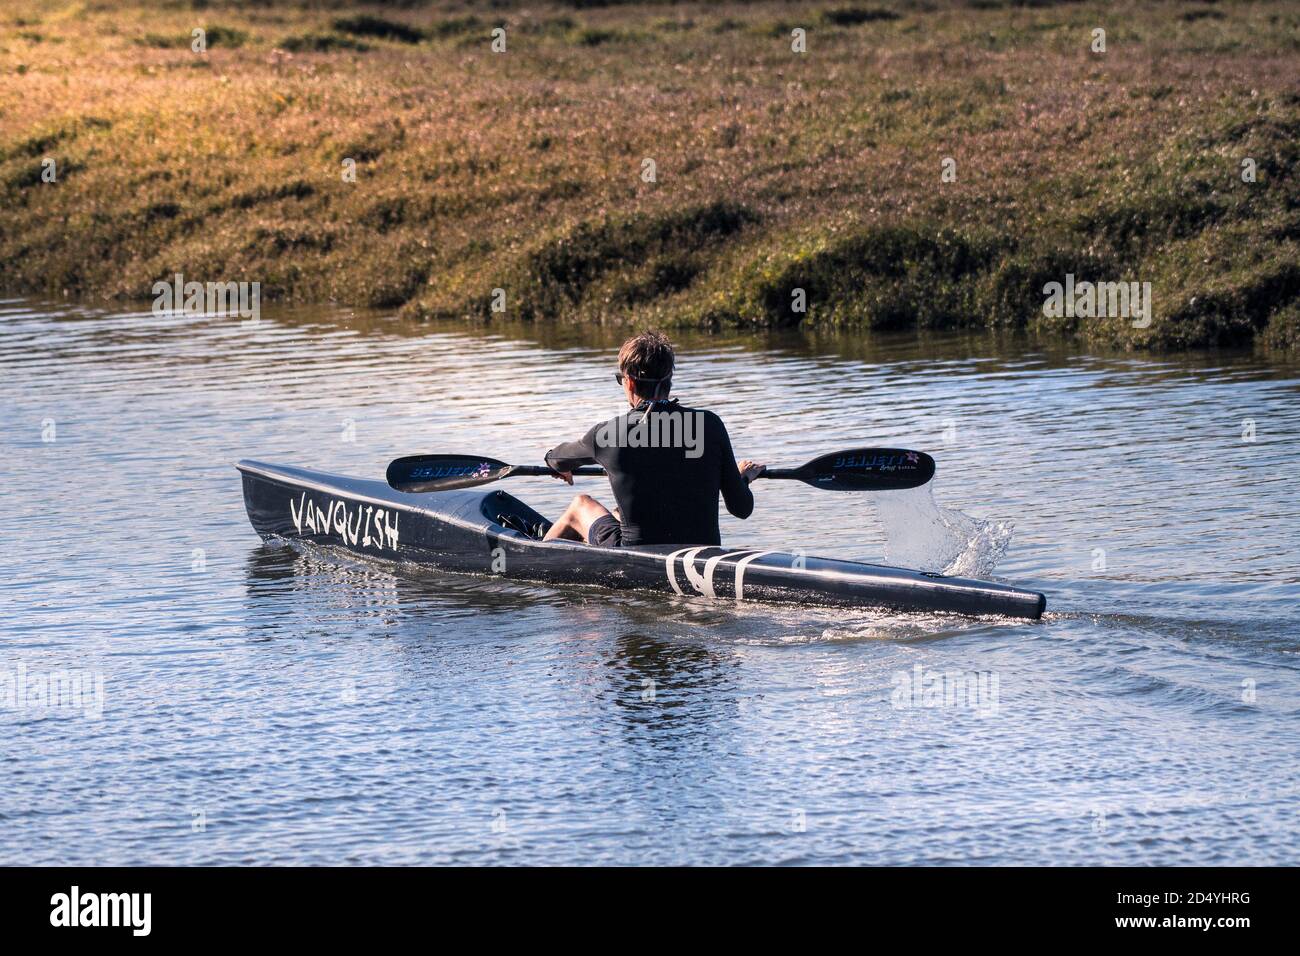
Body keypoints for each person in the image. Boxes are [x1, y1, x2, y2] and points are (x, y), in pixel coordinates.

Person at [543, 330, 764, 547]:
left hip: (636, 560)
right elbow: (741, 508)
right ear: (670, 378)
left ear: (629, 382)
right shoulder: (710, 425)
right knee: (618, 514)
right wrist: (741, 478)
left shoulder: (608, 434)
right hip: (702, 555)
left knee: (581, 505)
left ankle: (532, 558)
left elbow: (559, 459)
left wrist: (554, 461)